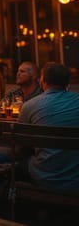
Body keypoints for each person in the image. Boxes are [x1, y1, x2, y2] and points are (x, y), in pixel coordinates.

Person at [17, 63, 79, 192]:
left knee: (19, 163)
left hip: (44, 175)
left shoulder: (29, 105)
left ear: (42, 80)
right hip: (76, 177)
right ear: (68, 82)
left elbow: (20, 146)